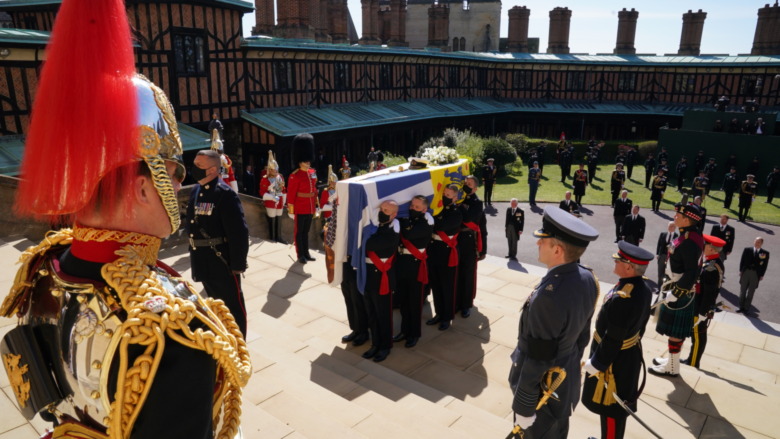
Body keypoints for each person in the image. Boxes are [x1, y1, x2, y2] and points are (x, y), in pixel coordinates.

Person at [0, 1, 251, 436]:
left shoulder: (44, 266)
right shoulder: (168, 329)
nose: (178, 187)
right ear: (140, 187)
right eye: (172, 174)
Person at [508, 207, 599, 438]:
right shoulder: (586, 276)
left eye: (543, 241)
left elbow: (539, 356)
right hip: (563, 383)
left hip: (542, 395)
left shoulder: (550, 296)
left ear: (557, 250)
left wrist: (524, 406)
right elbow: (581, 336)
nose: (538, 244)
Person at [582, 241, 653, 439]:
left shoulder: (625, 298)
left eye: (619, 260)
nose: (615, 261)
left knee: (612, 410)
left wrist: (597, 363)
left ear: (629, 267)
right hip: (626, 355)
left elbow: (613, 337)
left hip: (614, 362)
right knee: (611, 410)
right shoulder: (641, 287)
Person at [187, 150, 250, 337]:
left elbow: (239, 232)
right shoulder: (196, 190)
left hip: (221, 261)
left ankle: (239, 347)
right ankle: (223, 337)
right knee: (214, 304)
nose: (194, 169)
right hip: (202, 259)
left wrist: (238, 264)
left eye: (199, 166)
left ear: (213, 170)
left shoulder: (224, 194)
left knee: (232, 307)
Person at [649, 202, 704, 377]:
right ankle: (672, 361)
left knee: (675, 332)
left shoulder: (689, 242)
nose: (675, 217)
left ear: (687, 220)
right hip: (674, 286)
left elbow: (692, 273)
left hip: (680, 290)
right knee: (673, 332)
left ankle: (673, 368)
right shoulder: (687, 235)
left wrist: (677, 292)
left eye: (678, 216)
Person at [362, 200, 400, 363]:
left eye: (387, 210)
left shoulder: (392, 231)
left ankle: (385, 346)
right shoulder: (377, 227)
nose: (382, 212)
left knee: (383, 314)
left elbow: (369, 244)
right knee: (371, 312)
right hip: (369, 275)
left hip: (381, 277)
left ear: (394, 214)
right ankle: (375, 343)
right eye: (382, 209)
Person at [395, 195, 434, 348]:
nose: (412, 208)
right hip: (403, 263)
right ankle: (404, 331)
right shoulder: (409, 219)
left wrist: (402, 222)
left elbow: (409, 234)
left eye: (417, 207)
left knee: (414, 302)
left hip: (416, 265)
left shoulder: (426, 222)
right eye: (412, 206)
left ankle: (414, 333)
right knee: (403, 300)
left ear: (424, 209)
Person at [684, 235, 725, 369]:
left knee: (698, 336)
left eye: (706, 245)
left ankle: (693, 361)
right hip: (700, 304)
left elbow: (709, 293)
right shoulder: (712, 262)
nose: (703, 247)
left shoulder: (711, 268)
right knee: (697, 335)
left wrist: (702, 312)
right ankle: (692, 358)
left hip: (700, 306)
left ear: (712, 250)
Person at [427, 184, 462, 331]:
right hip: (434, 251)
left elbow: (439, 226)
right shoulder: (439, 210)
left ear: (455, 197)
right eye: (444, 194)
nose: (445, 197)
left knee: (447, 286)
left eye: (448, 195)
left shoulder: (457, 212)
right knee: (435, 284)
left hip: (447, 253)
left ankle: (447, 317)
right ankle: (439, 313)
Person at [287, 133, 319, 264]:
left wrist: (316, 206)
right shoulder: (295, 175)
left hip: (310, 206)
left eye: (308, 159)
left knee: (306, 232)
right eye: (305, 160)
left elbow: (315, 190)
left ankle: (306, 252)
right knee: (299, 233)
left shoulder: (312, 172)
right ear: (300, 160)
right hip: (300, 206)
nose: (308, 162)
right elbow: (291, 194)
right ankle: (300, 254)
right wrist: (291, 210)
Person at [457, 176, 484, 318]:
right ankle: (456, 302)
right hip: (456, 240)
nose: (466, 186)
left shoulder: (477, 203)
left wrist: (483, 249)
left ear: (475, 188)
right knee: (457, 272)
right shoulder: (460, 198)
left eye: (469, 184)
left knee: (467, 274)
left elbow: (468, 219)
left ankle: (466, 304)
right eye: (465, 183)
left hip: (468, 241)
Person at [259, 150, 287, 243]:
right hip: (271, 201)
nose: (275, 171)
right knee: (272, 218)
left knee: (279, 218)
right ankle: (273, 237)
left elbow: (283, 189)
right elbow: (262, 192)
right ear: (269, 170)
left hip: (279, 200)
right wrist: (271, 197)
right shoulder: (265, 179)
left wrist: (284, 200)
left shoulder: (280, 177)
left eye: (276, 169)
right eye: (273, 170)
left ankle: (279, 237)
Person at [738, 237, 770, 314]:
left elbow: (765, 265)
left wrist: (762, 275)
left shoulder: (765, 253)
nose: (756, 243)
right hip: (746, 272)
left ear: (761, 243)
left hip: (755, 274)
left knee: (751, 292)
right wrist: (741, 270)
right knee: (742, 290)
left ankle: (746, 308)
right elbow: (742, 261)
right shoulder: (747, 250)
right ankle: (740, 306)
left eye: (759, 242)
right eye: (755, 241)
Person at [655, 221, 679, 288]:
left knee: (668, 273)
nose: (671, 227)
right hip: (662, 255)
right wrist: (657, 254)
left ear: (675, 227)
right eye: (670, 226)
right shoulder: (663, 234)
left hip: (670, 257)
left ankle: (665, 287)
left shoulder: (676, 236)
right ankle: (659, 287)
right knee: (660, 272)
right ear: (667, 226)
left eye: (673, 226)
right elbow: (659, 244)